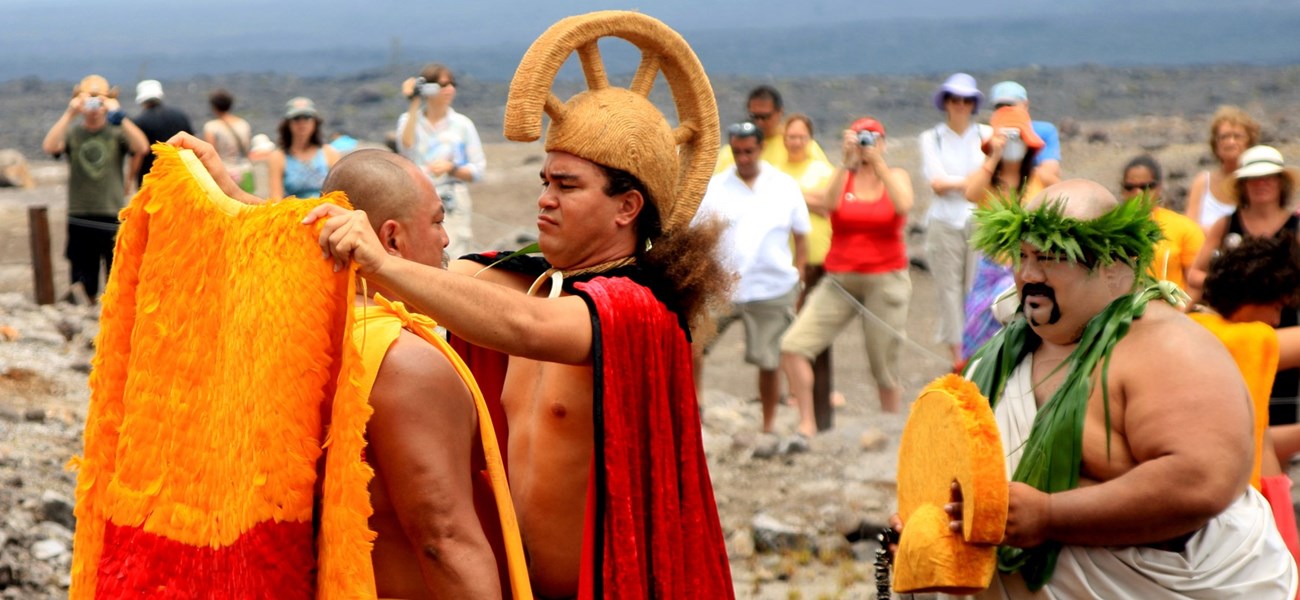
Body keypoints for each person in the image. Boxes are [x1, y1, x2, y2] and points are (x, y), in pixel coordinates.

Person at [301, 12, 735, 599]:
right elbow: (421, 264)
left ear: (627, 207)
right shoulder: (530, 282)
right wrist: (241, 199)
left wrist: (381, 261)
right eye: (545, 182)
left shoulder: (635, 312)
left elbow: (525, 328)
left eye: (567, 186)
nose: (545, 202)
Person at [893, 179, 1297, 598]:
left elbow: (1202, 479)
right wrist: (928, 523)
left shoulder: (1167, 348)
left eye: (1049, 257)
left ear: (1114, 266)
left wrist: (1049, 515)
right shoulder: (998, 355)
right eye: (1023, 256)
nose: (1028, 275)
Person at [320, 149, 527, 599]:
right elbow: (443, 540)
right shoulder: (403, 361)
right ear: (391, 239)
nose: (448, 239)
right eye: (436, 221)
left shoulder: (311, 333)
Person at [780, 117, 913, 434]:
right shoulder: (844, 176)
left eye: (872, 138)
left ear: (883, 142)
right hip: (840, 278)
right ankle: (807, 423)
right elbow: (829, 204)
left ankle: (892, 429)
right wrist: (847, 163)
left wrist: (877, 164)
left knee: (883, 364)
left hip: (885, 277)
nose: (867, 144)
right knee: (794, 345)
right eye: (861, 138)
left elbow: (904, 204)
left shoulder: (895, 175)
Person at [696, 122, 810, 443]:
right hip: (722, 287)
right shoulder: (715, 187)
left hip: (770, 287)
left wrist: (799, 277)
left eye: (748, 151)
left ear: (760, 148)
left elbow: (801, 236)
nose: (743, 157)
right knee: (692, 344)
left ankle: (769, 423)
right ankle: (697, 406)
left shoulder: (784, 185)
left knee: (769, 360)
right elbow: (697, 236)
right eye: (737, 151)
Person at [1189, 144, 1300, 437]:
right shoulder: (1226, 224)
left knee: (1277, 405)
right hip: (1235, 316)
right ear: (1243, 185)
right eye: (1254, 178)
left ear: (1281, 183)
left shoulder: (1297, 226)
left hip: (1287, 319)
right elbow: (1195, 273)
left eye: (1269, 177)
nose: (1261, 184)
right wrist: (1235, 284)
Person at [40, 74, 148, 300]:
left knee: (116, 281)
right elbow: (50, 146)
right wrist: (70, 114)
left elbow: (142, 146)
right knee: (82, 280)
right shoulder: (72, 133)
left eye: (99, 100)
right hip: (79, 214)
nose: (94, 106)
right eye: (88, 99)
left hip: (111, 213)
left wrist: (118, 115)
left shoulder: (117, 132)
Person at [960, 105, 1045, 360]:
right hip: (991, 268)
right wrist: (994, 155)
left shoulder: (1036, 181)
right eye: (1009, 136)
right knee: (980, 323)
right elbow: (970, 193)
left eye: (1018, 137)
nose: (1013, 143)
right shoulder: (986, 181)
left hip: (1026, 268)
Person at [920, 73, 990, 371]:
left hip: (979, 218)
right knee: (948, 290)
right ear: (946, 102)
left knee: (977, 286)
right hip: (944, 221)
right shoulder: (930, 138)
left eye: (966, 100)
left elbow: (988, 180)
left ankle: (979, 349)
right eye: (955, 99)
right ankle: (958, 356)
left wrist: (959, 184)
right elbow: (936, 183)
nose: (960, 105)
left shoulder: (987, 135)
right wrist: (974, 182)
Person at [778, 113, 841, 421]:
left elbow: (829, 203)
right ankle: (793, 391)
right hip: (785, 260)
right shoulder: (775, 169)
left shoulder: (821, 168)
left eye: (801, 137)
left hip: (820, 259)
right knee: (789, 326)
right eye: (791, 137)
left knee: (815, 329)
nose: (796, 142)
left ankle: (822, 395)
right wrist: (807, 199)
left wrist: (792, 196)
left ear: (810, 139)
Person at [397, 63, 486, 259]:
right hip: (417, 200)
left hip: (452, 201)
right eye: (443, 85)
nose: (450, 89)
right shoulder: (408, 120)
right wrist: (414, 101)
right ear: (428, 88)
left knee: (454, 253)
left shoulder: (463, 125)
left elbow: (478, 170)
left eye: (452, 84)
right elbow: (406, 146)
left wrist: (451, 168)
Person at [1119, 155, 1203, 293]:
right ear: (1123, 190)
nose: (1138, 193)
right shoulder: (1112, 230)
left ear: (1159, 188)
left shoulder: (1184, 227)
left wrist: (1180, 313)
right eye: (1130, 187)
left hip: (1174, 308)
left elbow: (1195, 283)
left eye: (1146, 186)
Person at [713, 85, 828, 172]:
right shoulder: (734, 149)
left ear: (779, 112)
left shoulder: (798, 143)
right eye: (754, 116)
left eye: (765, 117)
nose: (759, 122)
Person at [1184, 105, 1260, 231]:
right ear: (1215, 144)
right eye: (1225, 136)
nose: (1231, 142)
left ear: (1249, 142)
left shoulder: (1257, 182)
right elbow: (1189, 228)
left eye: (1237, 136)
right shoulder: (1202, 182)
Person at [988, 81, 1061, 187]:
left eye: (1010, 105)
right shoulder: (991, 133)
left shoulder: (1044, 131)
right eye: (999, 106)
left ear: (1025, 105)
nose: (1005, 110)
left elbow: (1051, 172)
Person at [268, 97, 340, 200]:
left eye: (307, 117)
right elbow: (276, 198)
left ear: (315, 122)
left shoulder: (330, 153)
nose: (302, 122)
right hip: (294, 212)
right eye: (296, 118)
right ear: (288, 123)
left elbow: (339, 192)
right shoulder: (278, 157)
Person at [129, 79, 193, 190]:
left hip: (151, 180)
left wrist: (130, 179)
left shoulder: (138, 122)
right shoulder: (180, 115)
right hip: (180, 177)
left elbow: (137, 155)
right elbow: (191, 144)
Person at [201, 88, 253, 193]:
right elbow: (248, 150)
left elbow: (211, 154)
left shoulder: (211, 127)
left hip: (226, 174)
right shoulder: (243, 124)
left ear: (214, 107)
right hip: (246, 171)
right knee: (250, 207)